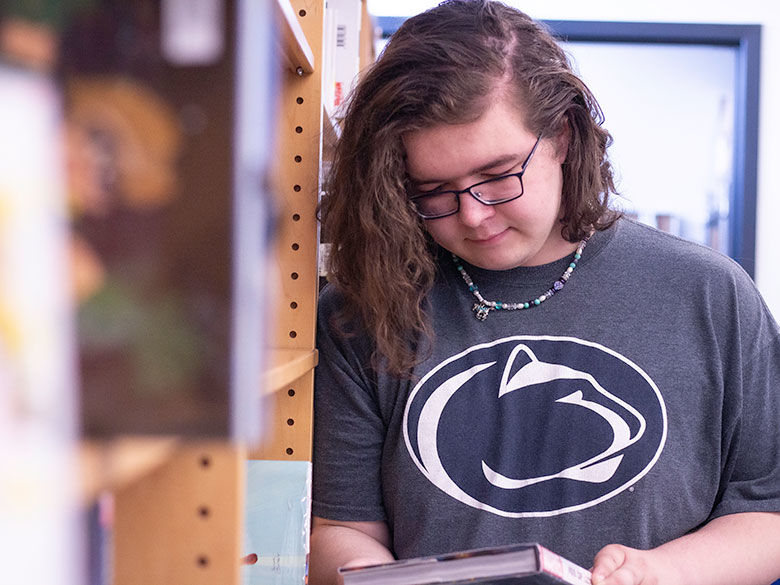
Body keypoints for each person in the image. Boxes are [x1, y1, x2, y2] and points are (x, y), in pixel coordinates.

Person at [309, 1, 780, 584]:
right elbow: (344, 528)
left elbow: (766, 511)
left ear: (561, 136)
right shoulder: (362, 310)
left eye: (498, 175)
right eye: (433, 191)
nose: (475, 216)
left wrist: (658, 573)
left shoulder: (711, 295)